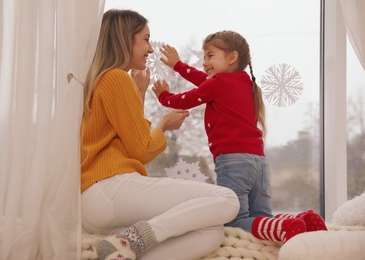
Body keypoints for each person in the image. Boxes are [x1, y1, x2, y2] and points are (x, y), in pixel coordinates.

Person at [80, 9, 240, 260]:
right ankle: (134, 238)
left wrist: (140, 93)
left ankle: (123, 250)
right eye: (145, 39)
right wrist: (164, 123)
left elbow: (128, 134)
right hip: (108, 188)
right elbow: (142, 151)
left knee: (211, 232)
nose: (151, 49)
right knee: (228, 199)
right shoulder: (116, 78)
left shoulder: (102, 78)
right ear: (125, 39)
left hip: (97, 204)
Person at [152, 30, 327, 244]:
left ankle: (286, 225)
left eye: (210, 55)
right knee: (261, 218)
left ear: (232, 57)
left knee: (234, 221)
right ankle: (302, 220)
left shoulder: (217, 84)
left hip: (233, 163)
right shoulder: (245, 83)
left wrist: (163, 95)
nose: (204, 62)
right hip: (259, 163)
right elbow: (203, 81)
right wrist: (178, 65)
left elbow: (184, 100)